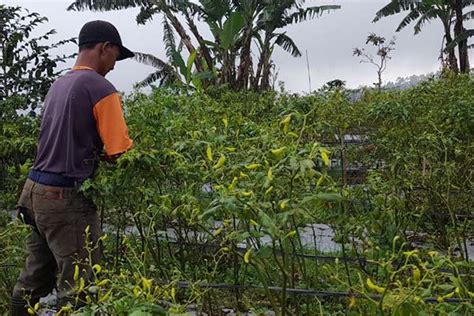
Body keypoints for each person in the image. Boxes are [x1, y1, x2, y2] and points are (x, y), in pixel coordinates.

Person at [10, 20, 134, 315]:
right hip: (65, 199)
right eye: (115, 56)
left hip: (34, 194)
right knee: (81, 284)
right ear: (106, 48)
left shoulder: (59, 84)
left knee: (34, 277)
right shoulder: (100, 87)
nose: (114, 66)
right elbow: (119, 150)